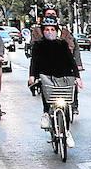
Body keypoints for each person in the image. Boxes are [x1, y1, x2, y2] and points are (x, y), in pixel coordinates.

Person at [28, 18, 82, 147]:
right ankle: (46, 113)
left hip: (63, 76)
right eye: (47, 30)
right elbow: (34, 62)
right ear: (43, 31)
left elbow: (71, 61)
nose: (50, 32)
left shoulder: (62, 44)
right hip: (46, 76)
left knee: (65, 105)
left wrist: (77, 77)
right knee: (47, 95)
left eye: (52, 29)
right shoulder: (38, 45)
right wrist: (32, 76)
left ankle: (67, 132)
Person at [30, 4, 81, 72]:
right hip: (43, 64)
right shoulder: (37, 30)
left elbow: (71, 46)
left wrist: (77, 64)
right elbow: (34, 48)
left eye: (53, 14)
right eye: (48, 14)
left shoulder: (64, 31)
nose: (51, 16)